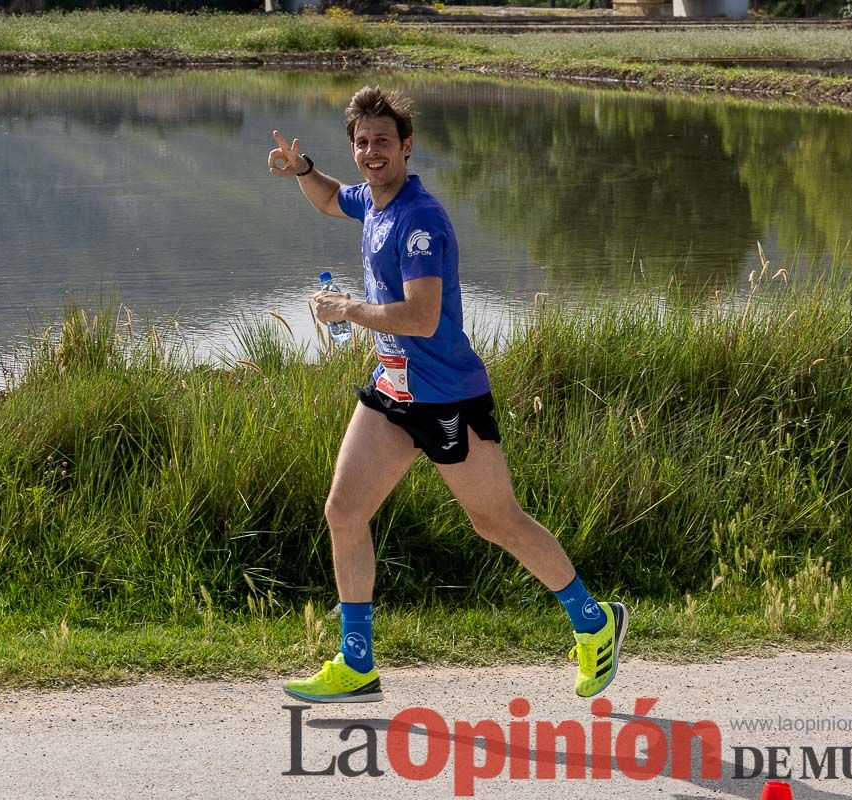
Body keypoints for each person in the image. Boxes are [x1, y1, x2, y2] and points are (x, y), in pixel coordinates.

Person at [268, 86, 626, 703]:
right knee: (344, 511)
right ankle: (357, 664)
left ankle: (594, 621)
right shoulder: (373, 203)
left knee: (498, 522)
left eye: (383, 141)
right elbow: (331, 200)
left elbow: (424, 317)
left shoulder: (417, 219)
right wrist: (303, 170)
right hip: (393, 392)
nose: (371, 152)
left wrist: (348, 309)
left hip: (447, 399)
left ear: (407, 147)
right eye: (361, 143)